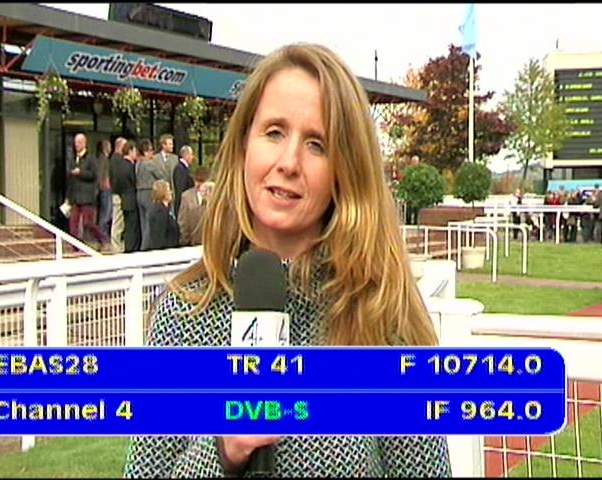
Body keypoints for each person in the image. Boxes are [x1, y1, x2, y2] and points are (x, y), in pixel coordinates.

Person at [123, 43, 450, 478]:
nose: (289, 162)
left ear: (345, 170)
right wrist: (223, 449)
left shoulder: (382, 313)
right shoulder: (183, 314)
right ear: (244, 145)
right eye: (274, 132)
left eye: (317, 144)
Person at [66, 133, 108, 249]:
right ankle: (76, 247)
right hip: (75, 196)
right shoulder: (73, 159)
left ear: (84, 143)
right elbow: (70, 179)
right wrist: (68, 197)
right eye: (75, 143)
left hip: (87, 196)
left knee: (87, 223)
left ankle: (102, 238)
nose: (77, 145)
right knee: (73, 224)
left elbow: (94, 175)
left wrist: (81, 173)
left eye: (79, 143)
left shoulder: (91, 158)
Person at [135, 138, 167, 250]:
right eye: (150, 150)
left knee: (143, 222)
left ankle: (143, 244)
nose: (152, 153)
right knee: (149, 221)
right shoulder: (149, 163)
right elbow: (161, 175)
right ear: (145, 152)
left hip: (139, 192)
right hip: (148, 191)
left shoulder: (137, 163)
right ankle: (146, 246)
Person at [110, 140, 141, 253]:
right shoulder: (131, 167)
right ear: (131, 151)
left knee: (124, 225)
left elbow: (115, 183)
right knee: (131, 227)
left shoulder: (119, 166)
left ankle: (120, 247)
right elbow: (134, 182)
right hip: (131, 200)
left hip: (122, 198)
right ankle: (130, 249)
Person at [177, 167, 212, 246]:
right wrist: (185, 241)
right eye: (197, 181)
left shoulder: (215, 195)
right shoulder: (186, 197)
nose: (199, 184)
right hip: (193, 243)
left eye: (202, 181)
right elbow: (182, 222)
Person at [144, 179, 180, 250]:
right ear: (162, 193)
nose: (171, 192)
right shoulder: (159, 212)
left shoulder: (163, 209)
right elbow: (159, 237)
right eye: (168, 190)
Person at [109, 137, 128, 253]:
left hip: (118, 194)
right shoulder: (117, 160)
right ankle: (116, 247)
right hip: (118, 195)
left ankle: (118, 245)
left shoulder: (115, 159)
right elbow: (116, 179)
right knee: (117, 222)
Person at [95, 139, 113, 242]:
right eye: (109, 146)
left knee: (107, 213)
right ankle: (102, 235)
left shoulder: (105, 159)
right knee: (105, 213)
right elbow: (100, 174)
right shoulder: (102, 159)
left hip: (107, 189)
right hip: (105, 190)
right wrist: (102, 185)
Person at [172, 144, 196, 220]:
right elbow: (180, 189)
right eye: (191, 154)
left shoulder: (185, 168)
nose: (192, 157)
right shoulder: (180, 169)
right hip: (182, 206)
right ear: (186, 155)